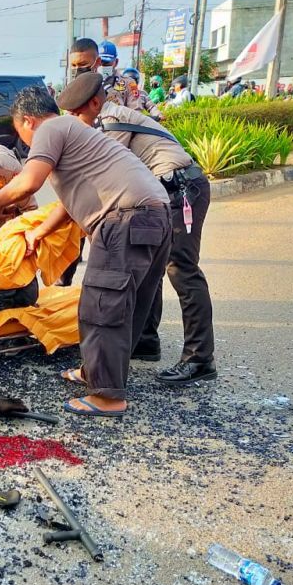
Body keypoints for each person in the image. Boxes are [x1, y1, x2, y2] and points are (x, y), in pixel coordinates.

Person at [0, 86, 171, 417]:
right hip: (156, 215)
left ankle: (107, 397)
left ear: (28, 121)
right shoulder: (76, 132)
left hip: (125, 219)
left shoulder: (50, 128)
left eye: (21, 133)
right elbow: (66, 204)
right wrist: (39, 232)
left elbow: (29, 183)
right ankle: (97, 373)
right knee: (127, 304)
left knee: (101, 305)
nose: (26, 143)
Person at [59, 72, 216, 385]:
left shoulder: (110, 122)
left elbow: (106, 178)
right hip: (164, 191)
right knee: (148, 266)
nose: (73, 121)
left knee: (182, 270)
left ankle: (200, 358)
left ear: (94, 104)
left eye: (76, 114)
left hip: (180, 189)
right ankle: (145, 340)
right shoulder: (103, 120)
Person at [67, 38, 133, 106]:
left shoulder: (128, 83)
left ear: (116, 62)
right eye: (100, 62)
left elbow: (136, 109)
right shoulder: (84, 82)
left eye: (106, 63)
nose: (101, 65)